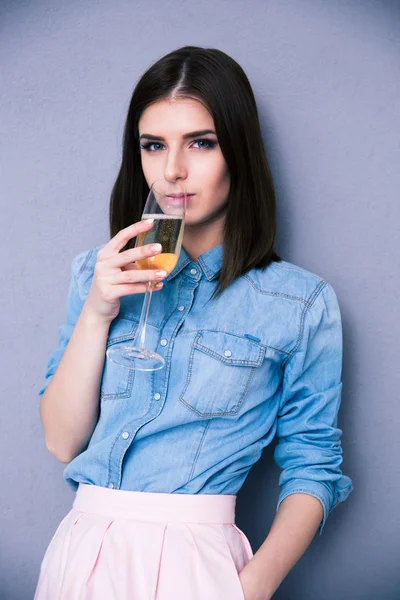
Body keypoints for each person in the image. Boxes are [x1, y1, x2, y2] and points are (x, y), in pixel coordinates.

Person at [34, 45, 353, 600]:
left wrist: (250, 587)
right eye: (153, 146)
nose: (172, 170)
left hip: (198, 564)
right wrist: (97, 310)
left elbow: (313, 464)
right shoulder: (98, 273)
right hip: (82, 555)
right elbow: (62, 442)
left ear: (239, 151)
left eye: (200, 143)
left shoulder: (299, 303)